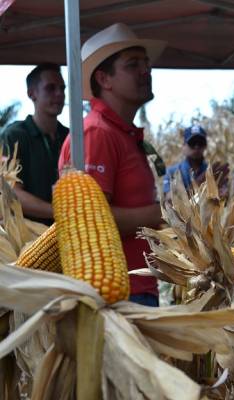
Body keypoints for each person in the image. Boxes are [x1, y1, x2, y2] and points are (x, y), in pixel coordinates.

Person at [58, 23, 166, 306]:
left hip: (134, 285)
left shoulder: (121, 133)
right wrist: (162, 213)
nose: (146, 71)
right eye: (133, 65)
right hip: (116, 295)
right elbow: (90, 220)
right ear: (104, 79)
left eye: (146, 63)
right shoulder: (98, 133)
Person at [1, 63, 68, 225]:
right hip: (28, 240)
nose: (59, 94)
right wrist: (61, 213)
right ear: (32, 94)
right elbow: (11, 193)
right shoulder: (14, 135)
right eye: (50, 88)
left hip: (69, 235)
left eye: (62, 88)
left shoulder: (70, 135)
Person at [163, 124, 229, 196]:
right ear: (184, 146)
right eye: (192, 143)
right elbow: (169, 200)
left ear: (205, 146)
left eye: (200, 143)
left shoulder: (213, 173)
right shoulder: (172, 172)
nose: (197, 147)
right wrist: (198, 186)